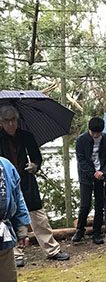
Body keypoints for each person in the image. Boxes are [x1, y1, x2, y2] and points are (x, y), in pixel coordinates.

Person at [0, 105, 70, 266]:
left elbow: (37, 157)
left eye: (13, 120)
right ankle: (16, 253)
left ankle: (51, 249)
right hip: (6, 183)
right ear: (1, 122)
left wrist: (35, 166)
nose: (11, 124)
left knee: (38, 216)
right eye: (7, 121)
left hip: (26, 180)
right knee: (9, 216)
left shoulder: (26, 136)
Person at [0, 157, 32, 282]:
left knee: (7, 280)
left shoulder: (6, 165)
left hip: (3, 229)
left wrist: (22, 229)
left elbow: (18, 196)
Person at [73, 117, 106, 245]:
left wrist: (104, 172)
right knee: (85, 205)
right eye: (93, 133)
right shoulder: (81, 140)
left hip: (101, 176)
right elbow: (81, 160)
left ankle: (97, 232)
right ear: (89, 130)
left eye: (98, 133)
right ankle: (80, 230)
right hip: (86, 177)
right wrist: (93, 173)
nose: (96, 135)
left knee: (100, 205)